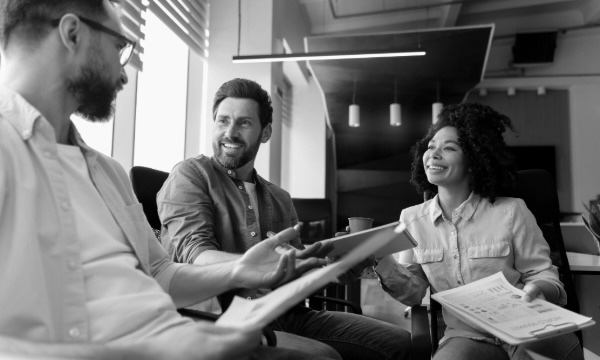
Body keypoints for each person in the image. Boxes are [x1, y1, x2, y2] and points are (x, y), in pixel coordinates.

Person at [0, 1, 336, 359]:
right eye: (119, 47)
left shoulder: (107, 172)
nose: (125, 73)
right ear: (72, 34)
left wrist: (239, 270)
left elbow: (159, 272)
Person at [157, 77, 415, 360]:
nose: (229, 132)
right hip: (220, 318)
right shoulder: (191, 175)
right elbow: (195, 253)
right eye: (222, 121)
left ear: (265, 132)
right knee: (322, 356)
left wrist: (334, 266)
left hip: (284, 313)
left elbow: (294, 275)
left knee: (399, 342)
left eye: (244, 123)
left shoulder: (279, 197)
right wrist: (257, 266)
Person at [372, 103, 583, 360]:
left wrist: (537, 289)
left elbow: (546, 277)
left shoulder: (512, 211)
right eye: (430, 147)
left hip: (530, 328)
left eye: (449, 148)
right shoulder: (412, 219)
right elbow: (414, 292)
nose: (434, 154)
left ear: (474, 161)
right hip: (467, 335)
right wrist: (380, 259)